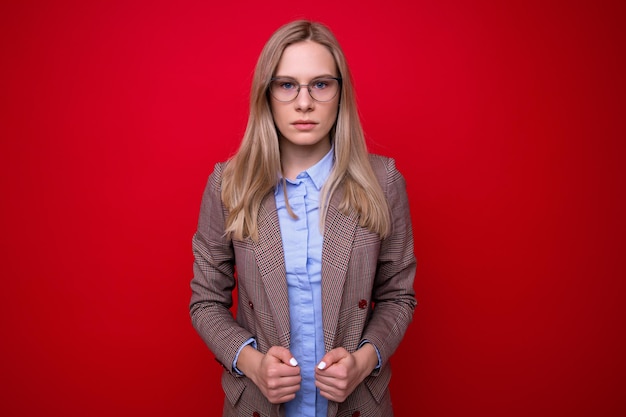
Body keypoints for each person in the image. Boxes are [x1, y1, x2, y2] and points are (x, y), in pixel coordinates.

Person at [190, 20, 417, 417]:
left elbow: (399, 295)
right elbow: (206, 301)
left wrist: (365, 360)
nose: (304, 102)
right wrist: (252, 363)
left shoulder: (383, 180)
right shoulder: (229, 184)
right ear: (267, 94)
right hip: (259, 406)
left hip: (357, 405)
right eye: (287, 84)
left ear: (340, 94)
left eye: (321, 84)